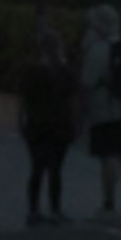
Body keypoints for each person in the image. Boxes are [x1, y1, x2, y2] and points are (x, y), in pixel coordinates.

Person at [81, 0, 121, 221]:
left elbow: (87, 83)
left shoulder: (98, 49)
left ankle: (109, 204)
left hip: (104, 110)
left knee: (107, 157)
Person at [18, 15, 78, 225]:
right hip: (60, 124)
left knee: (37, 168)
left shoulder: (32, 72)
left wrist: (21, 123)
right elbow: (72, 99)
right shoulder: (66, 72)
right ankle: (55, 209)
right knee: (56, 169)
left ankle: (34, 209)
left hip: (37, 123)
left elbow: (24, 100)